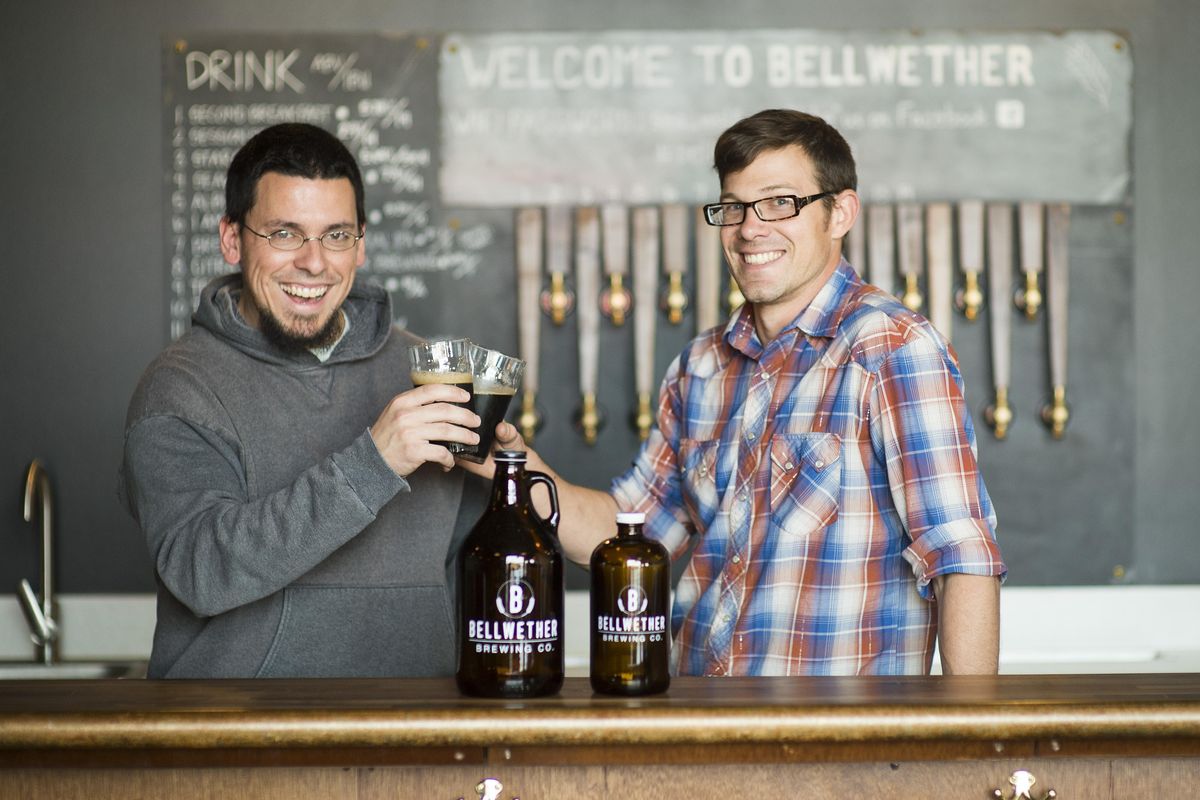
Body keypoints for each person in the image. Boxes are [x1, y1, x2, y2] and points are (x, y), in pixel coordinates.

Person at [466, 109, 1006, 676]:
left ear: (840, 212)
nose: (750, 229)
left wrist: (966, 734)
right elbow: (625, 531)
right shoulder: (700, 366)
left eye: (779, 202)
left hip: (842, 742)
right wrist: (510, 467)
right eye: (733, 207)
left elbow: (960, 555)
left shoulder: (892, 347)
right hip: (699, 725)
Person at [119, 123, 485, 678]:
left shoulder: (427, 374)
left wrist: (510, 472)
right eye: (285, 234)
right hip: (239, 746)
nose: (314, 262)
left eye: (336, 235)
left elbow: (472, 560)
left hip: (413, 735)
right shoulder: (179, 388)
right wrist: (375, 462)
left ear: (360, 244)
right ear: (232, 239)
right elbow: (202, 572)